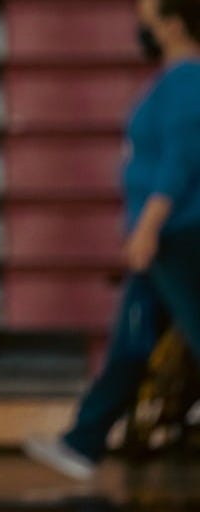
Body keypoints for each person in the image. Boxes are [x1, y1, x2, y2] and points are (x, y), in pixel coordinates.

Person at [24, 0, 200, 480]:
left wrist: (147, 228)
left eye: (147, 17)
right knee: (132, 342)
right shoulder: (172, 79)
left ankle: (84, 441)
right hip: (163, 235)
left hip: (177, 235)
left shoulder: (186, 79)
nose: (141, 27)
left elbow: (183, 162)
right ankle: (83, 443)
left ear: (173, 22)